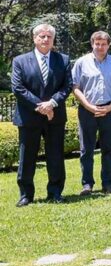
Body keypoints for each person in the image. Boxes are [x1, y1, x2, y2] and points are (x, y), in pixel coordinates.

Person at [11, 24, 71, 206]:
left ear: (53, 40)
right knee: (27, 157)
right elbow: (18, 88)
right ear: (34, 38)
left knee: (56, 156)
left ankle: (55, 192)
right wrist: (41, 106)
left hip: (55, 117)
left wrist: (52, 103)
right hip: (29, 117)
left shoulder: (63, 60)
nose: (45, 39)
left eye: (49, 37)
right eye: (42, 36)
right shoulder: (20, 61)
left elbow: (67, 86)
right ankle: (26, 194)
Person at [72, 30, 111, 195]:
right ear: (92, 44)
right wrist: (88, 106)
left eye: (103, 44)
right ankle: (87, 184)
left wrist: (110, 106)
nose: (100, 47)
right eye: (97, 44)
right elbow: (75, 87)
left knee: (108, 149)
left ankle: (107, 184)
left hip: (109, 110)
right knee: (86, 150)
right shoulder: (81, 62)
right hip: (88, 110)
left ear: (108, 45)